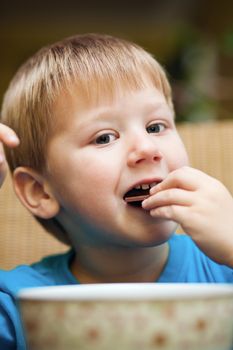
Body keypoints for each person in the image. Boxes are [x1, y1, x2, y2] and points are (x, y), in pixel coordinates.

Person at [0, 33, 232, 350]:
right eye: (105, 137)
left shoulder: (224, 267)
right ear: (40, 191)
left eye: (156, 127)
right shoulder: (18, 303)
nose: (148, 149)